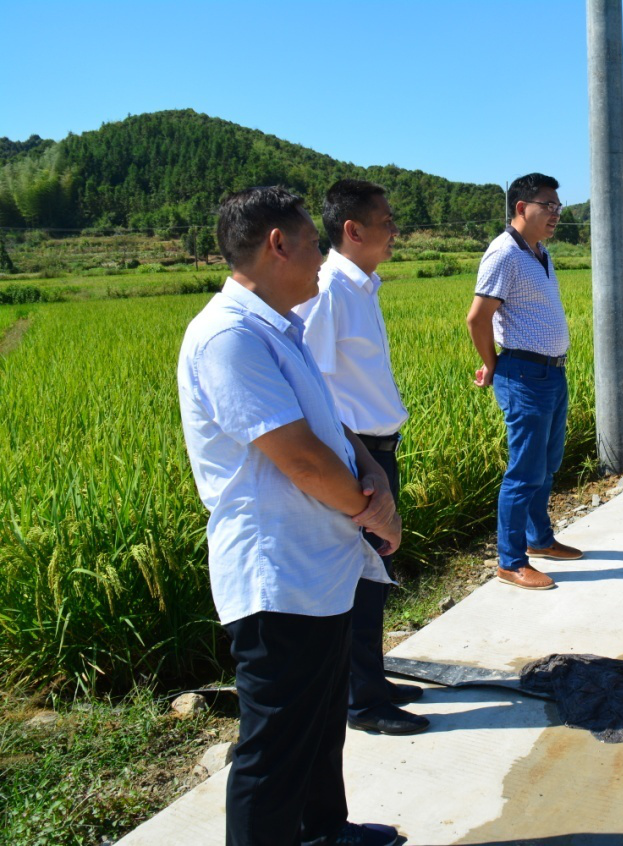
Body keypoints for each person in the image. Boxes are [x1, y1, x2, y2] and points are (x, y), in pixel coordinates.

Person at [177, 186, 400, 846]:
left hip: (317, 564)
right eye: (313, 244)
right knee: (273, 746)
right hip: (276, 575)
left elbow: (327, 425)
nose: (321, 257)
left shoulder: (282, 328)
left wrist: (373, 473)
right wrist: (374, 513)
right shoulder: (228, 336)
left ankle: (324, 831)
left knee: (319, 719)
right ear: (278, 245)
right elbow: (298, 456)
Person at [294, 179, 429, 737]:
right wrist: (357, 464)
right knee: (360, 580)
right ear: (353, 230)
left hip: (376, 452)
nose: (395, 228)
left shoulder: (362, 287)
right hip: (357, 456)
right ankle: (363, 701)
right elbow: (313, 386)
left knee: (374, 576)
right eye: (386, 220)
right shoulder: (329, 291)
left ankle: (371, 679)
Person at [466, 172, 582, 591]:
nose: (555, 213)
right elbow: (477, 318)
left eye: (557, 206)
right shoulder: (504, 254)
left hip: (552, 371)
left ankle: (540, 540)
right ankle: (510, 561)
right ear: (521, 208)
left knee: (546, 464)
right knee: (524, 470)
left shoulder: (539, 252)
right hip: (525, 373)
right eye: (547, 206)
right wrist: (492, 363)